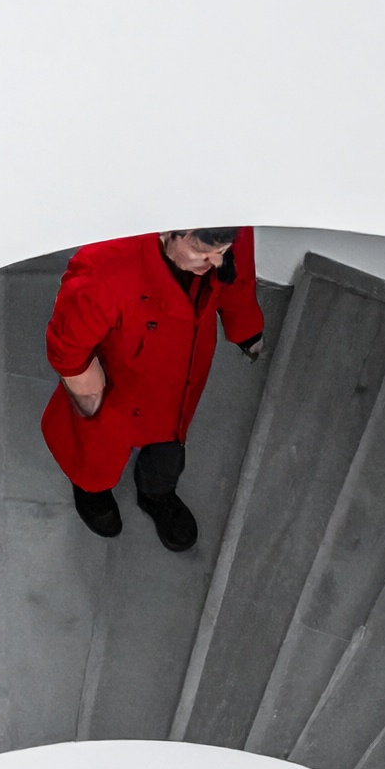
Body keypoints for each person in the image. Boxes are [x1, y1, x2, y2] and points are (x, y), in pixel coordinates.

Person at [41, 229, 265, 549]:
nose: (216, 262)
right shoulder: (105, 265)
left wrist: (245, 327)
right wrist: (85, 383)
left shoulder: (227, 224)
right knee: (97, 450)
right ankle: (93, 492)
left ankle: (156, 494)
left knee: (169, 442)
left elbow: (237, 278)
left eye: (222, 251)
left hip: (182, 369)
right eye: (201, 252)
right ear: (170, 229)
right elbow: (66, 343)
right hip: (118, 381)